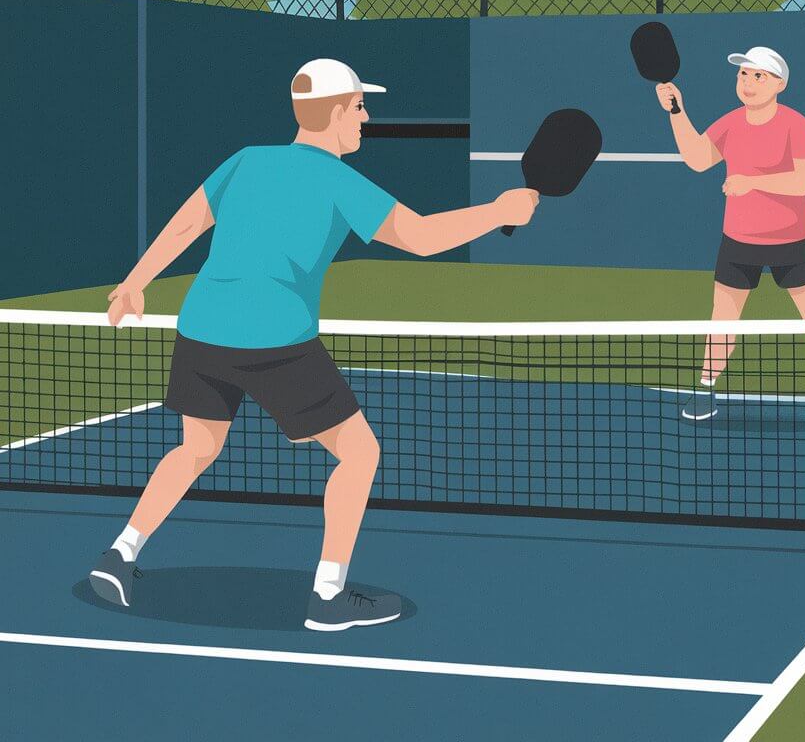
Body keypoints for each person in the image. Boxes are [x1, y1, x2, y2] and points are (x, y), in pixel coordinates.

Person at [89, 58, 539, 630]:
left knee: (197, 448)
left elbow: (184, 225)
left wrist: (133, 285)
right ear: (333, 112)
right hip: (275, 338)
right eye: (358, 107)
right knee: (360, 453)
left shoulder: (246, 160)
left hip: (202, 328)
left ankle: (120, 554)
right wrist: (497, 211)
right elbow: (422, 237)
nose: (365, 117)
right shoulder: (337, 179)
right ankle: (327, 596)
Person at [654, 46, 805, 422]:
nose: (748, 82)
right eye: (743, 74)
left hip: (791, 240)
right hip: (738, 240)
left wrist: (751, 182)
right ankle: (706, 390)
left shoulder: (795, 124)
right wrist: (677, 112)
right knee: (722, 317)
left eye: (759, 76)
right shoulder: (730, 123)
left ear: (780, 84)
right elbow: (697, 159)